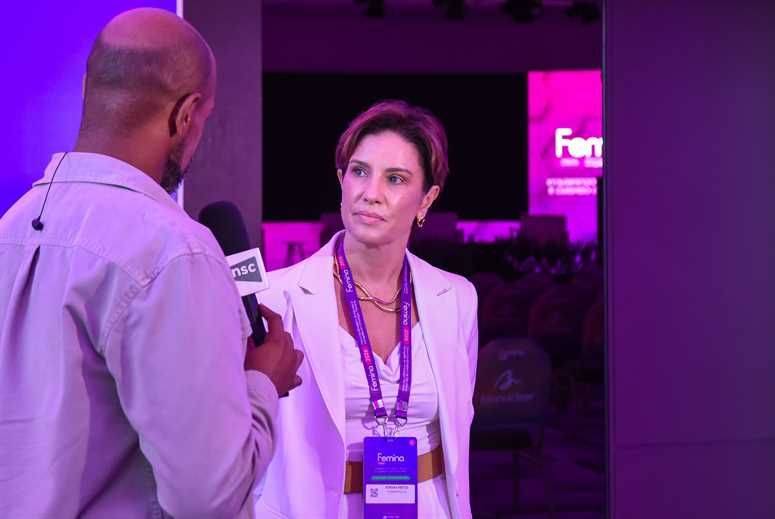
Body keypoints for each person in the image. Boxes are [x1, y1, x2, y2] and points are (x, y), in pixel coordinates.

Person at [0, 8, 302, 518]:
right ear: (185, 115)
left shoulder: (11, 229)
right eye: (203, 121)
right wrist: (263, 385)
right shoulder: (174, 252)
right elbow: (209, 498)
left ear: (88, 91)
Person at [254, 100, 479, 518]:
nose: (370, 193)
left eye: (395, 179)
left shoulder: (457, 298)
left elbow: (458, 427)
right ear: (342, 181)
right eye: (359, 172)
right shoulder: (276, 296)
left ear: (426, 200)